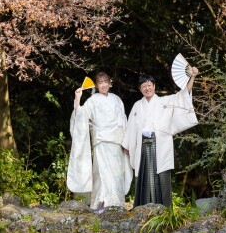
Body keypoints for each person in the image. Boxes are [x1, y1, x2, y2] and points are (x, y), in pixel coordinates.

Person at [122, 67, 199, 207]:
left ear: (154, 86)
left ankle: (164, 210)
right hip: (143, 146)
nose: (147, 88)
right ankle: (143, 209)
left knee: (161, 175)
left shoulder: (165, 101)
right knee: (144, 177)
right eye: (143, 86)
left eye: (149, 85)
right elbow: (131, 127)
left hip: (160, 145)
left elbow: (184, 96)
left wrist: (192, 77)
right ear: (140, 89)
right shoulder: (137, 106)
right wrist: (127, 145)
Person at [66, 72, 132, 212]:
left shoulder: (117, 99)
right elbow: (81, 116)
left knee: (116, 173)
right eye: (100, 82)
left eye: (106, 81)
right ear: (96, 85)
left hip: (117, 142)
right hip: (101, 141)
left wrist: (126, 142)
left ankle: (116, 204)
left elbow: (124, 122)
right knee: (101, 173)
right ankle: (100, 204)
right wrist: (77, 99)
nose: (104, 85)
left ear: (109, 83)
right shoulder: (92, 100)